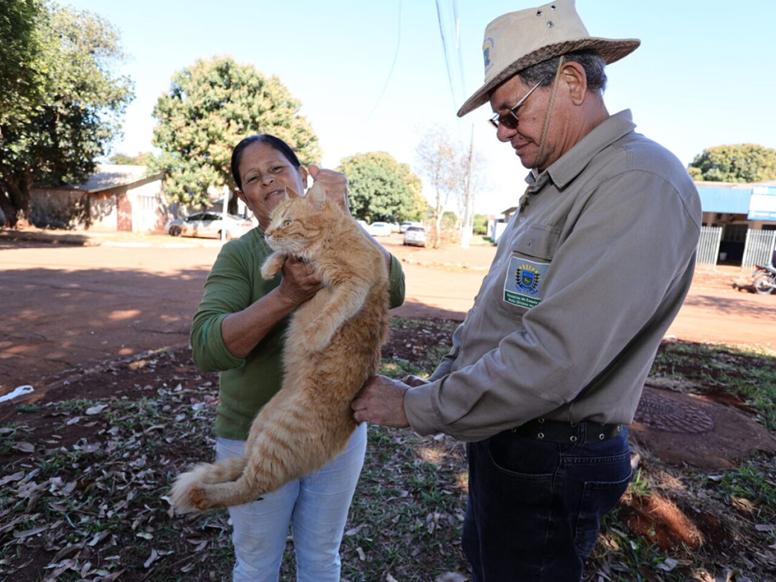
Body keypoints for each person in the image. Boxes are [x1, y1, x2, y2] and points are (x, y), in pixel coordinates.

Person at [352, 0, 701, 580]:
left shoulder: (637, 182)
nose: (503, 135)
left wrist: (417, 407)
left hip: (552, 455)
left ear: (570, 81)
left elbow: (553, 357)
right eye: (497, 121)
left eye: (511, 113)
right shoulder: (559, 182)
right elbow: (506, 316)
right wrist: (441, 383)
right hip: (512, 440)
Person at [190, 133, 405, 582]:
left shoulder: (336, 228)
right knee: (256, 564)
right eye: (253, 178)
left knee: (323, 557)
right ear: (242, 196)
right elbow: (208, 347)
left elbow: (396, 286)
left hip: (335, 426)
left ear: (301, 174)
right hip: (259, 429)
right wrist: (286, 295)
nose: (268, 183)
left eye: (277, 169)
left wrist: (342, 216)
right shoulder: (241, 254)